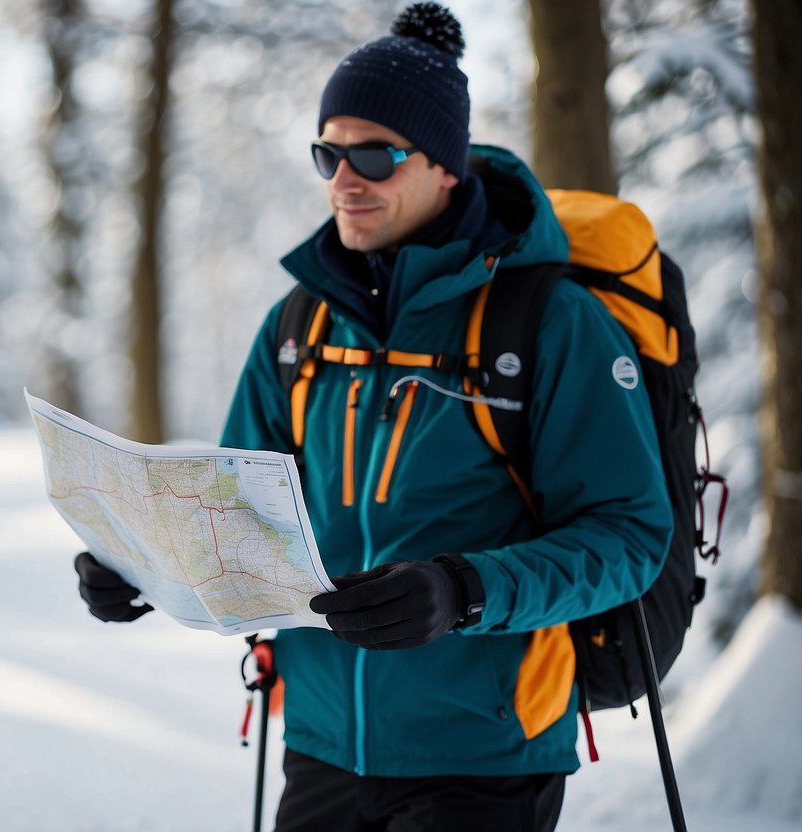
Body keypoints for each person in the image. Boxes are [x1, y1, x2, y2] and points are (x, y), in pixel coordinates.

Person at [75, 3, 672, 830]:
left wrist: (459, 590)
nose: (343, 180)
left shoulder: (546, 323)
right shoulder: (300, 324)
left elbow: (627, 537)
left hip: (483, 755)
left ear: (445, 168)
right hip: (319, 741)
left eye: (374, 155)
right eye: (328, 152)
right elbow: (236, 518)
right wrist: (141, 562)